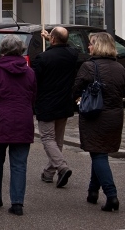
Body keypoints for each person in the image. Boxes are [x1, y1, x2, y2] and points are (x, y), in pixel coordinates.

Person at [0, 35, 37, 217]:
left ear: (2, 50)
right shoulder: (29, 72)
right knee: (19, 164)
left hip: (0, 119)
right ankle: (17, 202)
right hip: (23, 118)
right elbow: (33, 96)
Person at [73, 32, 125, 212]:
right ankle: (92, 191)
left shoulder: (88, 66)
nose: (88, 47)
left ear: (98, 46)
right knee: (99, 152)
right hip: (115, 116)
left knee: (98, 154)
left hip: (94, 116)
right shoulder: (120, 68)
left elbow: (76, 88)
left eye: (91, 44)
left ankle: (112, 196)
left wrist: (78, 99)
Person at [31, 26, 78, 187]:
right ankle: (49, 173)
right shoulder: (72, 55)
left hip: (46, 103)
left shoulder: (42, 58)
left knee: (48, 138)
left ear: (52, 40)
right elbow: (68, 45)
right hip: (64, 103)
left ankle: (62, 167)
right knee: (57, 140)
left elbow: (34, 81)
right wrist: (51, 39)